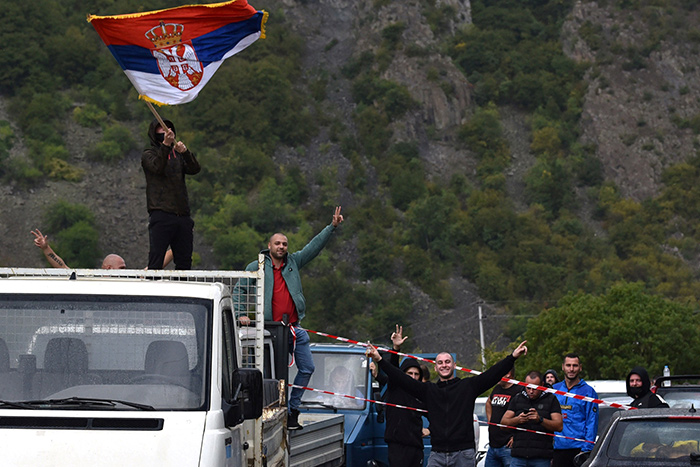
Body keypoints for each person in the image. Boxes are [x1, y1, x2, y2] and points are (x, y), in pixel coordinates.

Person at [234, 206, 344, 430]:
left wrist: (331, 227)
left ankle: (293, 409)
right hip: (270, 330)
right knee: (273, 374)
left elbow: (313, 248)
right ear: (269, 246)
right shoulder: (257, 267)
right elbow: (239, 290)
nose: (282, 247)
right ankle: (269, 412)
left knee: (307, 367)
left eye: (284, 244)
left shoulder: (293, 263)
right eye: (277, 243)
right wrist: (241, 314)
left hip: (294, 327)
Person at [366, 340, 528, 467]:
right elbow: (400, 378)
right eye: (440, 363)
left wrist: (512, 357)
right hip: (437, 454)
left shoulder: (468, 387)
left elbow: (492, 374)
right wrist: (380, 359)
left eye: (447, 362)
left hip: (463, 454)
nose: (444, 365)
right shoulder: (429, 390)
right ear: (436, 368)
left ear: (454, 365)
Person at [142, 119, 200, 270]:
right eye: (160, 129)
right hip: (161, 212)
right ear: (154, 133)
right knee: (156, 257)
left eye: (167, 129)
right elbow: (157, 168)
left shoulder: (178, 155)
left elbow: (194, 168)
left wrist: (185, 152)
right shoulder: (148, 154)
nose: (164, 132)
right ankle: (153, 290)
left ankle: (182, 290)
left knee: (184, 260)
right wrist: (166, 146)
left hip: (182, 214)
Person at [381, 325, 427, 467]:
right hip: (398, 446)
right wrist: (395, 349)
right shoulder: (396, 387)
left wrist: (430, 429)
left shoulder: (422, 393)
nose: (413, 377)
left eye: (416, 374)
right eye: (409, 373)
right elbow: (392, 370)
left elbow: (438, 411)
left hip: (416, 447)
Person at [501, 371, 563, 467]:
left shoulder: (551, 399)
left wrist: (540, 420)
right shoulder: (518, 398)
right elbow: (503, 423)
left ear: (542, 385)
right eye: (528, 387)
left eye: (534, 388)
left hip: (541, 457)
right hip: (519, 456)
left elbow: (559, 426)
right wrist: (517, 420)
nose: (531, 391)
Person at [31, 229, 172, 269]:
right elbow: (62, 268)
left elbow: (153, 268)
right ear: (109, 268)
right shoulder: (92, 280)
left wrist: (175, 249)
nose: (125, 271)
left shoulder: (129, 281)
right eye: (121, 268)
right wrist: (46, 248)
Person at [552, 353, 598, 467]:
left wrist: (586, 449)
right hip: (557, 449)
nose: (571, 369)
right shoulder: (554, 389)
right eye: (568, 365)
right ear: (563, 367)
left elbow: (592, 422)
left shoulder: (588, 391)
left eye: (575, 366)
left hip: (578, 450)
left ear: (580, 367)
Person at [484, 366, 519, 467]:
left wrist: (516, 436)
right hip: (492, 445)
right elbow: (488, 403)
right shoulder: (497, 388)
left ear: (508, 373)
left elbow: (525, 415)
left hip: (507, 446)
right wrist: (491, 422)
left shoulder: (518, 390)